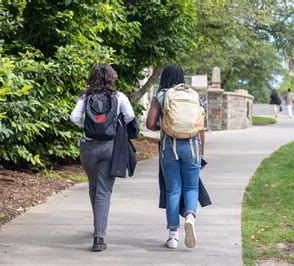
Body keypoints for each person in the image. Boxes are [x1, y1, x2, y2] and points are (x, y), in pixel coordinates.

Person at [70, 63, 136, 251]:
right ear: (111, 77)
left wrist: (88, 124)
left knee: (94, 185)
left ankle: (97, 225)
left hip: (88, 147)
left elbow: (74, 117)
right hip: (110, 146)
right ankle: (99, 237)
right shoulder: (119, 97)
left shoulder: (85, 97)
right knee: (104, 191)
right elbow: (130, 116)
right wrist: (113, 123)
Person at [146, 65, 205, 249]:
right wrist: (201, 151)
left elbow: (149, 124)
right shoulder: (193, 95)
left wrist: (163, 127)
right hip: (192, 145)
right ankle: (189, 216)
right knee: (191, 187)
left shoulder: (162, 95)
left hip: (169, 146)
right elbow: (200, 126)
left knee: (173, 189)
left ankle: (173, 236)